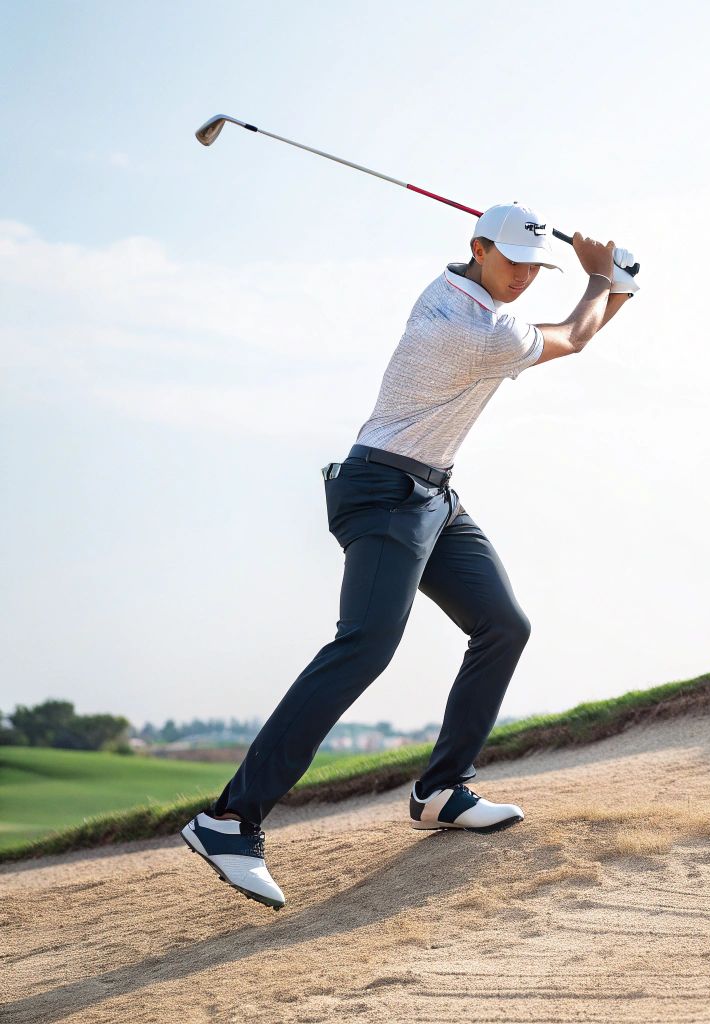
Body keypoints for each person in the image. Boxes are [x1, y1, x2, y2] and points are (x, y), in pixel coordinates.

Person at [179, 203, 639, 909]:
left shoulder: (456, 287)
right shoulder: (473, 327)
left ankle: (439, 791)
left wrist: (615, 288)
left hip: (432, 494)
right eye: (512, 260)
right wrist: (603, 278)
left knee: (503, 625)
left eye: (533, 267)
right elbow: (572, 337)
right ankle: (229, 820)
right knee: (363, 648)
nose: (522, 276)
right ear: (478, 247)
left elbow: (566, 333)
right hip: (384, 491)